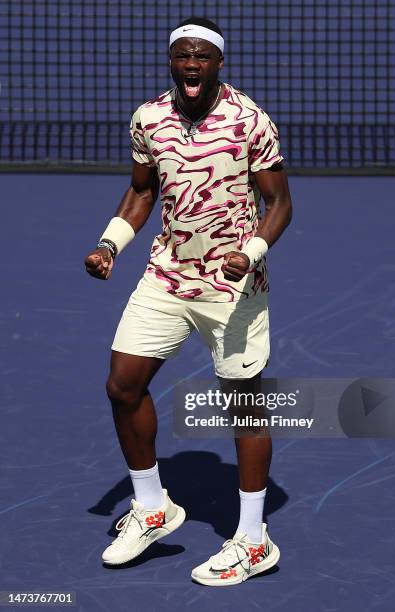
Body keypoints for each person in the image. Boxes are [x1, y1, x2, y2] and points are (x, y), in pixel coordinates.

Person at [84, 16, 292, 586]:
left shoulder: (250, 120)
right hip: (167, 275)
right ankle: (152, 507)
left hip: (234, 287)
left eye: (202, 56)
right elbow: (143, 190)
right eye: (182, 56)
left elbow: (279, 203)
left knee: (244, 403)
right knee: (122, 386)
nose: (192, 64)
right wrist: (110, 244)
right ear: (172, 62)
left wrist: (249, 253)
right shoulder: (149, 119)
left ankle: (253, 541)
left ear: (219, 63)